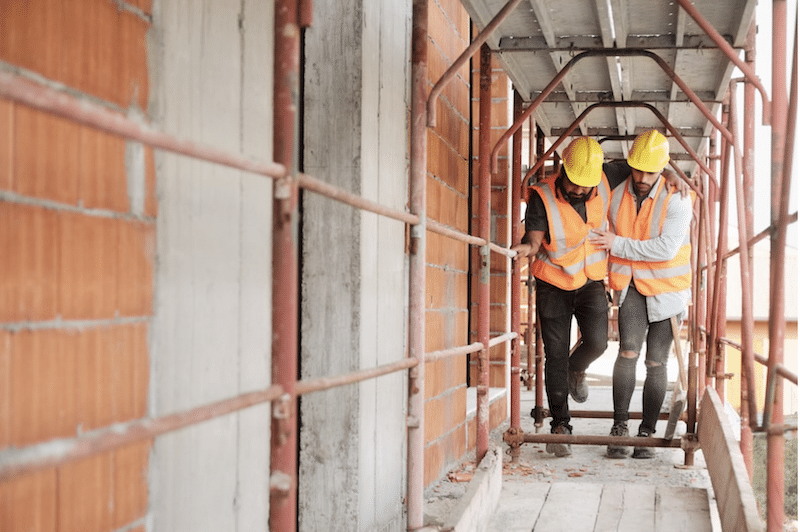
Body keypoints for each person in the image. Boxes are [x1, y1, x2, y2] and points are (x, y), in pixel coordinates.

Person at [588, 129, 693, 459]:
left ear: (663, 168)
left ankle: (647, 432)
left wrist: (616, 244)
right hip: (632, 283)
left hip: (668, 290)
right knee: (628, 352)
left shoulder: (677, 198)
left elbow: (665, 248)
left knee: (656, 361)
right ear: (630, 164)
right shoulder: (616, 187)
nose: (643, 177)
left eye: (651, 171)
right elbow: (586, 174)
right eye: (639, 170)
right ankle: (620, 428)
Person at [512, 136, 620, 457]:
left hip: (591, 281)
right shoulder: (542, 196)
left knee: (598, 342)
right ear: (563, 169)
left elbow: (641, 169)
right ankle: (560, 425)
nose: (579, 190)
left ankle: (577, 369)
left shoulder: (605, 176)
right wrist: (525, 249)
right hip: (553, 282)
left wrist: (668, 174)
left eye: (585, 186)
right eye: (574, 183)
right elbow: (533, 239)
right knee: (554, 355)